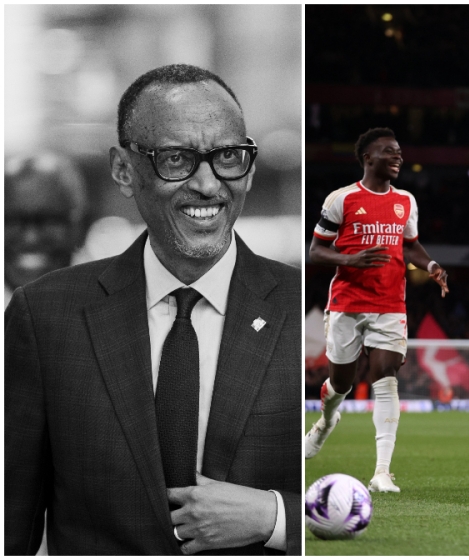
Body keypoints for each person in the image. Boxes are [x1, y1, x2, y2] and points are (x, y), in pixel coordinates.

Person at [5, 64, 301, 554]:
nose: (209, 185)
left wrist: (272, 516)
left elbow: (354, 499)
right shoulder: (44, 317)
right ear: (123, 170)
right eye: (177, 159)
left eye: (228, 156)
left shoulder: (308, 308)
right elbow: (9, 525)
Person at [303, 128, 448, 493]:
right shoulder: (343, 199)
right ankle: (325, 422)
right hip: (347, 304)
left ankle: (382, 471)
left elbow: (410, 246)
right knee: (341, 384)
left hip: (389, 305)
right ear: (368, 158)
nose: (398, 157)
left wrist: (430, 267)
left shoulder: (406, 202)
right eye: (389, 152)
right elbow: (316, 251)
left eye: (399, 152)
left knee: (385, 378)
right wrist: (350, 258)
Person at [4, 152, 88, 308]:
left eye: (48, 220)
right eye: (12, 221)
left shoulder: (114, 312)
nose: (31, 239)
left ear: (78, 227)